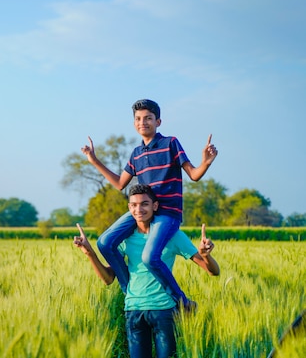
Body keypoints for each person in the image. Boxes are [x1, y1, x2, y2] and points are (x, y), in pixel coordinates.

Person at [81, 98, 218, 310]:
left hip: (166, 213)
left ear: (158, 122)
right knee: (105, 242)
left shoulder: (170, 143)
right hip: (144, 210)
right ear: (134, 123)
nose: (142, 122)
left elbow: (193, 174)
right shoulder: (136, 153)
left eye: (148, 118)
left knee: (149, 256)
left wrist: (206, 163)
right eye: (138, 119)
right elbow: (119, 184)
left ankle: (182, 302)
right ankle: (130, 291)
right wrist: (94, 160)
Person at [74, 184, 220, 358]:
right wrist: (90, 253)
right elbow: (108, 278)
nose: (139, 209)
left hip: (164, 310)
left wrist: (206, 256)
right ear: (129, 208)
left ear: (155, 206)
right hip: (133, 311)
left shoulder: (172, 235)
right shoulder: (124, 238)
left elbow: (213, 272)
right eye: (134, 205)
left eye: (144, 204)